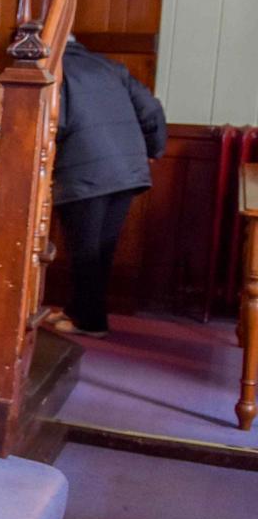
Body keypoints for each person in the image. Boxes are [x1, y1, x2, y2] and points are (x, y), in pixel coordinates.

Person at [48, 37, 167, 337]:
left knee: (85, 251)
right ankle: (79, 311)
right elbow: (151, 108)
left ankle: (91, 322)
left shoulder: (53, 70)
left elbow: (55, 124)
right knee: (102, 249)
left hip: (84, 169)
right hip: (127, 168)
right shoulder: (108, 65)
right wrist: (154, 149)